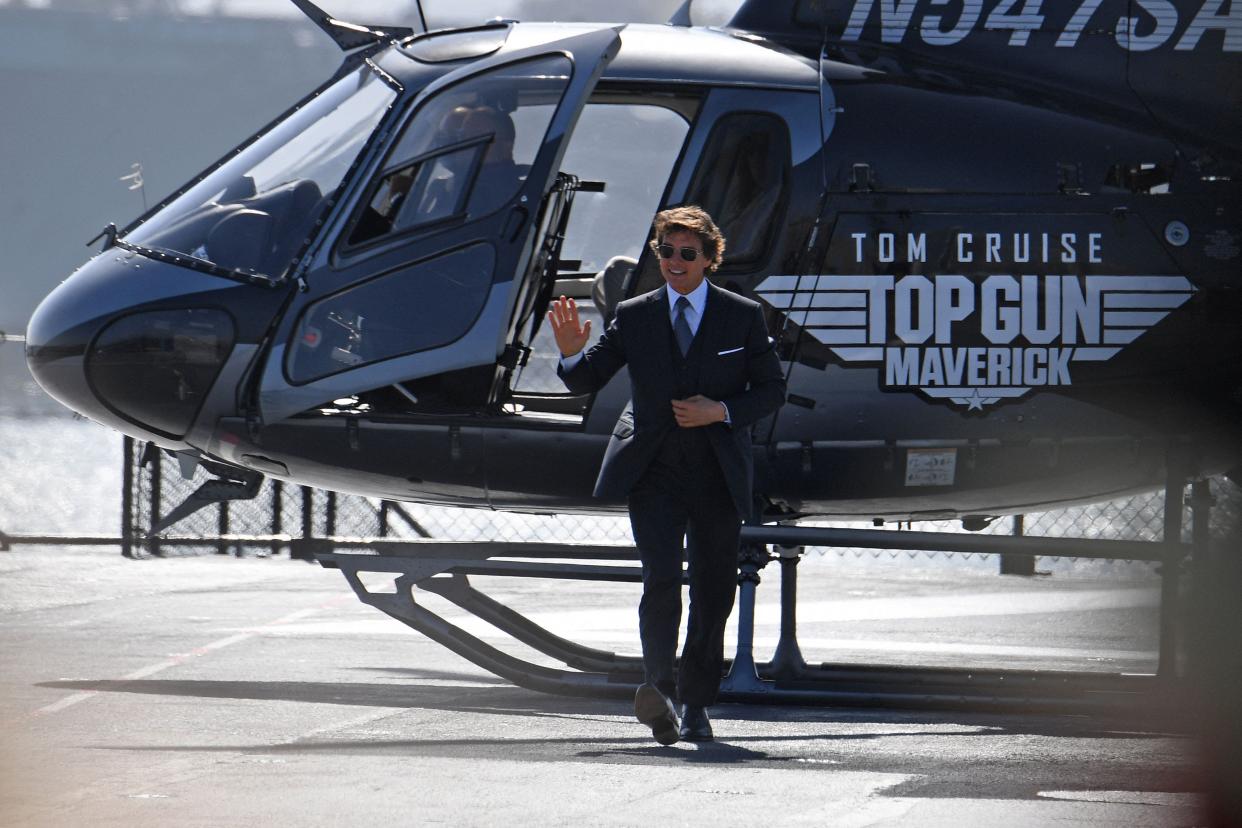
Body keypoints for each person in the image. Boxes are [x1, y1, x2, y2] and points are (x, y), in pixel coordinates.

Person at [548, 206, 786, 745]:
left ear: (708, 260)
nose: (675, 262)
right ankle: (659, 689)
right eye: (666, 251)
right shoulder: (635, 315)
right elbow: (586, 377)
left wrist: (719, 411)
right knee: (660, 581)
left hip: (716, 473)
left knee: (712, 589)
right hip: (652, 471)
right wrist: (568, 355)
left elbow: (772, 392)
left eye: (686, 254)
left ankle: (697, 701)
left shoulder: (742, 315)